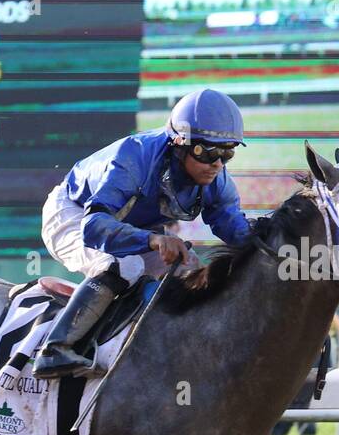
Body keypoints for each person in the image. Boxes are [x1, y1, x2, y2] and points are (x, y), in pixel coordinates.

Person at [34, 87, 252, 378]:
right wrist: (153, 239)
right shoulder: (133, 156)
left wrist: (279, 236)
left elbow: (237, 231)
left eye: (227, 152)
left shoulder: (216, 178)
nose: (217, 163)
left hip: (134, 227)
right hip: (73, 213)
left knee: (191, 273)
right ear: (180, 143)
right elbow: (94, 226)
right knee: (120, 264)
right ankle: (55, 349)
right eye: (206, 151)